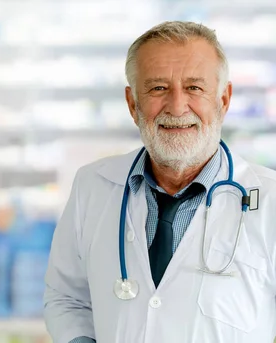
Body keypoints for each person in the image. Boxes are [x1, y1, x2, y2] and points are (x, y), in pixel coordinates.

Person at [44, 21, 276, 343]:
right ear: (132, 104)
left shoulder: (270, 201)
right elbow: (66, 297)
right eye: (158, 88)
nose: (177, 106)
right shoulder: (93, 187)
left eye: (195, 87)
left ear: (223, 100)